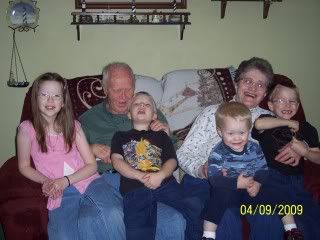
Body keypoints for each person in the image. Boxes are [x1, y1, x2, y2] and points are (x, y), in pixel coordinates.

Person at [177, 57, 301, 239]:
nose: (252, 88)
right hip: (205, 179)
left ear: (265, 93)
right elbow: (184, 152)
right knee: (225, 218)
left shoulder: (269, 119)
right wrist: (201, 169)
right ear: (236, 84)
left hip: (248, 182)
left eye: (260, 85)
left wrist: (299, 148)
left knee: (268, 217)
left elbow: (297, 135)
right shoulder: (212, 112)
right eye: (248, 81)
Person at [79, 62, 186, 240]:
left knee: (174, 221)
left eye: (129, 90)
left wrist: (167, 134)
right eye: (116, 90)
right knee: (112, 216)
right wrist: (90, 148)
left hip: (146, 181)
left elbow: (172, 152)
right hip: (108, 180)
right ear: (105, 89)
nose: (123, 97)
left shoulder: (150, 112)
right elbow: (66, 155)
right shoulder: (88, 120)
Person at [16, 72, 100, 239]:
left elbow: (91, 165)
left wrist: (67, 180)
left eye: (56, 96)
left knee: (95, 224)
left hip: (86, 182)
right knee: (62, 234)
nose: (50, 100)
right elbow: (24, 166)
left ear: (63, 102)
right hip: (59, 191)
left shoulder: (74, 126)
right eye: (44, 95)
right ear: (36, 98)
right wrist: (46, 181)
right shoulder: (26, 129)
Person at [202, 102, 301, 240]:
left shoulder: (254, 148)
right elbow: (214, 178)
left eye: (242, 133)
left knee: (277, 192)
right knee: (216, 198)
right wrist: (237, 183)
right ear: (220, 132)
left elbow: (262, 169)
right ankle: (208, 235)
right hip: (228, 192)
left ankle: (292, 230)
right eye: (230, 133)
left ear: (249, 130)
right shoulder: (218, 153)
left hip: (250, 191)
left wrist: (258, 184)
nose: (237, 138)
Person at [111, 91, 202, 240]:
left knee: (194, 204)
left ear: (154, 115)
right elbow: (117, 161)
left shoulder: (161, 136)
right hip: (134, 187)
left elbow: (172, 161)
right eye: (136, 104)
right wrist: (140, 176)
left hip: (164, 183)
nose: (141, 105)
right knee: (138, 225)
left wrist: (160, 176)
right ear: (129, 114)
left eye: (147, 104)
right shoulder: (120, 136)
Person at [252, 77, 320, 240]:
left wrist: (304, 152)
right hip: (271, 175)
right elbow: (258, 126)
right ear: (270, 105)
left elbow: (317, 157)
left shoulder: (308, 129)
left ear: (297, 106)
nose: (288, 105)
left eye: (292, 101)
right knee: (273, 194)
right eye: (281, 100)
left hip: (297, 181)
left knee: (312, 213)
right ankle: (291, 229)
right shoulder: (266, 120)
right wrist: (288, 123)